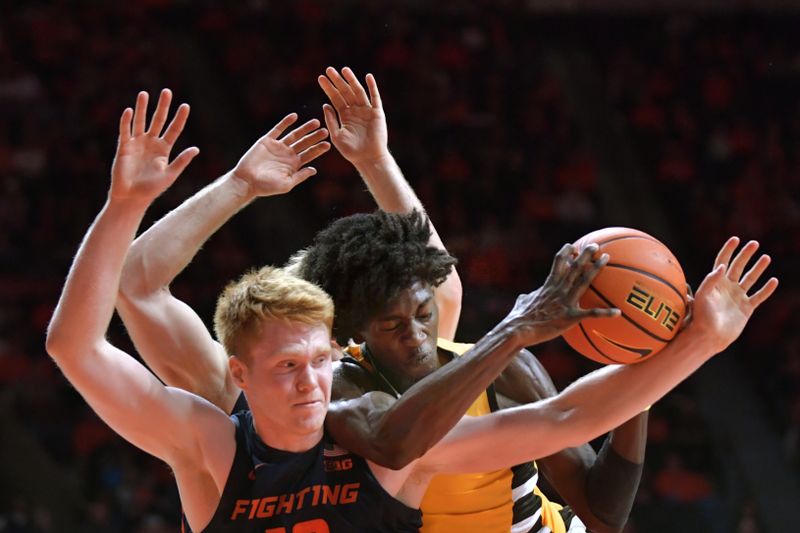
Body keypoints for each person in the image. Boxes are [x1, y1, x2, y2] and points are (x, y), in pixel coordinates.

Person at [46, 90, 778, 533]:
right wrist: (156, 198)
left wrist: (692, 343)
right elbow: (100, 320)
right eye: (286, 365)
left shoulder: (388, 441)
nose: (307, 380)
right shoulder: (221, 429)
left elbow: (563, 418)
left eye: (314, 360)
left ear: (336, 349)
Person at [118, 68, 647, 532]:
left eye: (418, 316)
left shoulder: (441, 353)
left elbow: (436, 279)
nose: (306, 366)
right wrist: (237, 185)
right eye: (289, 353)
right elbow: (135, 287)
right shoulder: (262, 396)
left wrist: (375, 160)